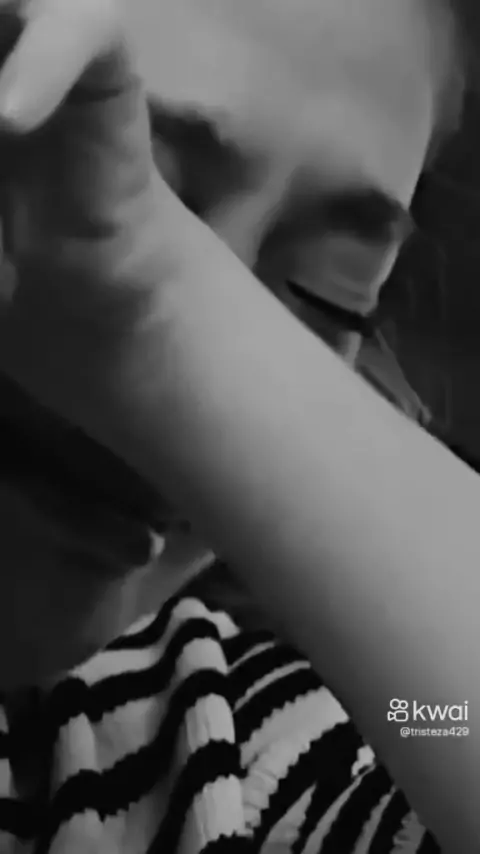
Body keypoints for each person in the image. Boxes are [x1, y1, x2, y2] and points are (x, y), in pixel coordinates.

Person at [0, 0, 478, 852]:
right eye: (113, 176)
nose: (157, 410)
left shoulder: (230, 749)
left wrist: (167, 312)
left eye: (329, 294)